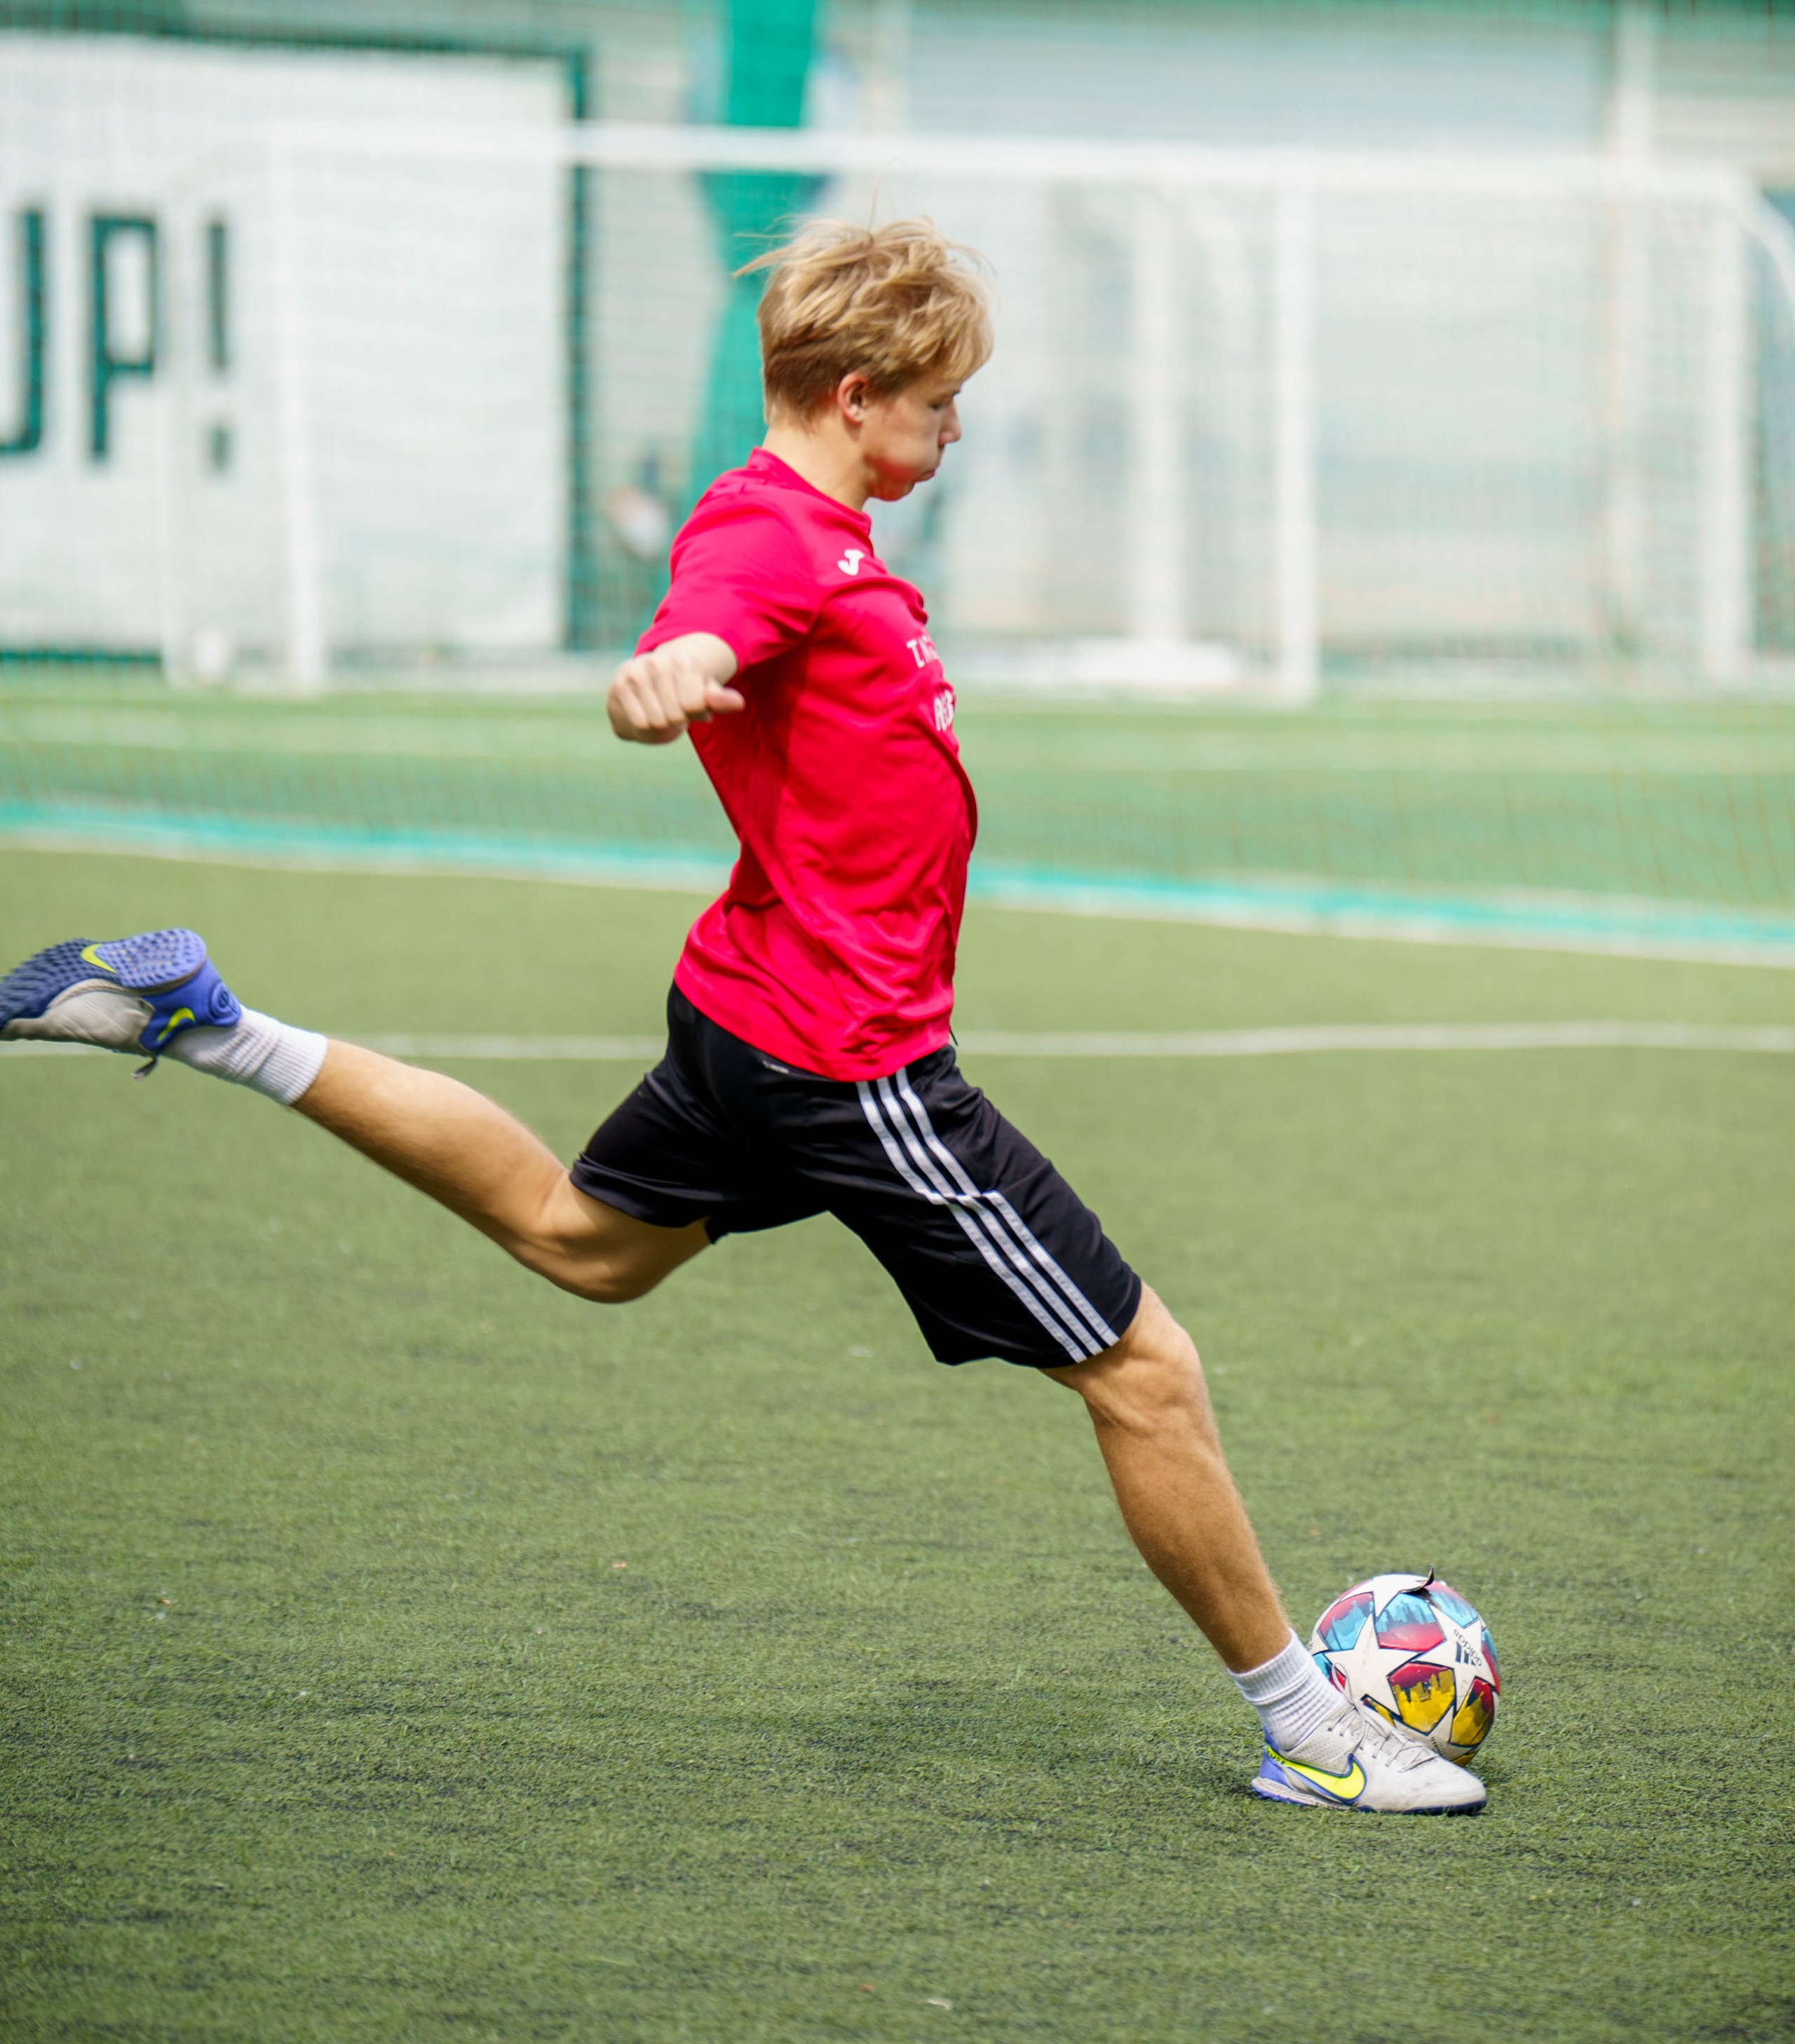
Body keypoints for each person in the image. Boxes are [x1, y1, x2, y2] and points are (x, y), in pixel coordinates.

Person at [1, 218, 1482, 1814]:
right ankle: (1312, 1732)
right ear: (856, 396)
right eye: (938, 402)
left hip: (750, 1005)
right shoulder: (775, 537)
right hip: (851, 1063)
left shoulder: (821, 532)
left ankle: (205, 1022)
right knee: (1146, 1370)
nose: (955, 430)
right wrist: (662, 674)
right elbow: (702, 630)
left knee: (583, 1243)